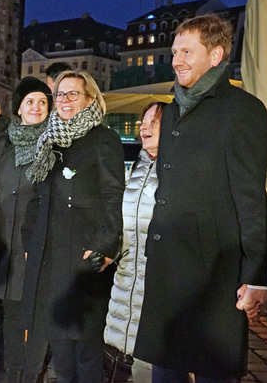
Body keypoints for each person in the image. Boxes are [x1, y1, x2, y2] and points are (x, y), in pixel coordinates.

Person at [134, 14, 267, 383]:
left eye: (186, 52)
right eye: (175, 51)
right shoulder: (172, 109)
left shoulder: (242, 110)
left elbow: (252, 200)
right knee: (165, 375)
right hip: (167, 273)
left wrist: (256, 275)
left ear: (216, 56)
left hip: (215, 275)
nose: (176, 60)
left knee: (214, 373)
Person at [20, 70, 124, 383]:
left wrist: (104, 247)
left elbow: (113, 196)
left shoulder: (103, 139)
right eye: (60, 94)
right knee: (60, 346)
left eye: (72, 94)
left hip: (83, 259)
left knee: (86, 349)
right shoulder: (49, 139)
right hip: (50, 256)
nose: (64, 100)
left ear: (90, 98)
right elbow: (37, 198)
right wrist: (30, 242)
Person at [0, 77, 53, 383]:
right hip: (5, 241)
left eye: (43, 102)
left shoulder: (55, 143)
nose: (36, 107)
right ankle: (12, 372)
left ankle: (31, 374)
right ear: (19, 107)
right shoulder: (4, 141)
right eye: (30, 101)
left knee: (38, 314)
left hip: (37, 244)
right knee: (12, 312)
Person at [104, 101, 164, 383]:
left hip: (156, 286)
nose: (144, 126)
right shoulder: (138, 167)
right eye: (144, 121)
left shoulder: (178, 171)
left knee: (152, 368)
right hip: (127, 281)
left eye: (154, 121)